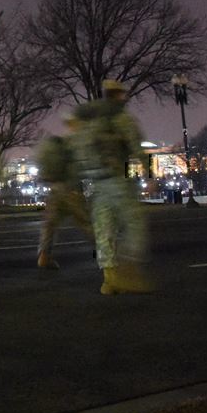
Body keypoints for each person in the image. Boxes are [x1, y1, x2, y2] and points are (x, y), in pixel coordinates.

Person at [73, 79, 152, 294]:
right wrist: (150, 176)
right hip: (119, 181)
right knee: (134, 224)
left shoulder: (89, 121)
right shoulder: (123, 118)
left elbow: (77, 153)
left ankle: (109, 280)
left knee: (104, 230)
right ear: (118, 94)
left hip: (96, 184)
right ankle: (128, 270)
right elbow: (138, 148)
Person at [35, 114, 92, 270]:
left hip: (55, 190)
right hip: (71, 190)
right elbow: (82, 167)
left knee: (49, 225)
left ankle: (44, 256)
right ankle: (110, 258)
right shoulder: (79, 142)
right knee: (87, 224)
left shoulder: (62, 141)